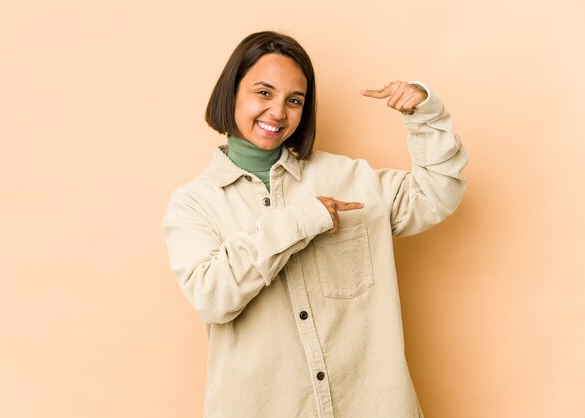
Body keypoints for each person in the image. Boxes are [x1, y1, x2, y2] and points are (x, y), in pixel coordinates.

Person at [163, 30, 467, 418]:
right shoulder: (193, 204)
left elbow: (438, 193)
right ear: (232, 92)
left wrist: (426, 117)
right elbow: (212, 297)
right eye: (264, 92)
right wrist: (302, 220)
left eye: (294, 101)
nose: (277, 112)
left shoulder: (350, 178)